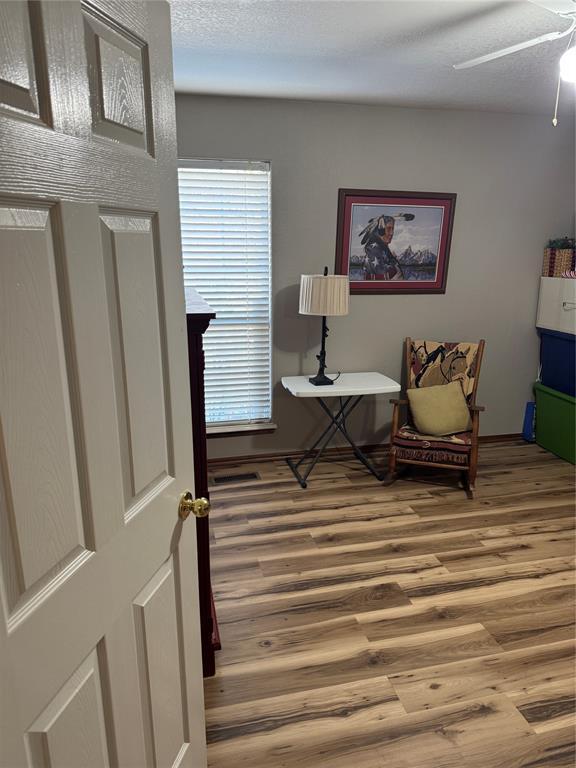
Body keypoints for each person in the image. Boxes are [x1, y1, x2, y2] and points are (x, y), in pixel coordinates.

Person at [359, 212, 414, 280]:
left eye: (392, 229)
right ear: (380, 230)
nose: (391, 233)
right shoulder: (373, 249)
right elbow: (383, 279)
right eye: (388, 229)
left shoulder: (383, 249)